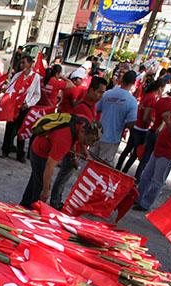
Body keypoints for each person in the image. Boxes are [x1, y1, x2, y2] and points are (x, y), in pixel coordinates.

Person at [50, 76, 108, 207]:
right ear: (91, 90)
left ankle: (56, 201)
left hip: (77, 149)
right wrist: (78, 153)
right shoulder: (83, 108)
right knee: (63, 176)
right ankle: (54, 203)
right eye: (99, 92)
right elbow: (79, 135)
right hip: (73, 148)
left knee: (65, 176)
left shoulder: (91, 106)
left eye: (103, 93)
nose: (100, 96)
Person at [21, 115, 101, 207]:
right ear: (83, 131)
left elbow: (78, 140)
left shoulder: (83, 122)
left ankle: (24, 205)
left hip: (43, 146)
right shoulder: (64, 140)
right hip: (40, 152)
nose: (85, 142)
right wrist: (46, 190)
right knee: (40, 190)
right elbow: (49, 166)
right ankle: (30, 210)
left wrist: (84, 151)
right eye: (86, 140)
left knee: (35, 180)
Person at [136, 80, 171, 182]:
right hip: (162, 135)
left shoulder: (160, 100)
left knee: (145, 158)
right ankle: (145, 181)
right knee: (154, 163)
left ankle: (137, 178)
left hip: (152, 131)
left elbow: (153, 115)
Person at [1, 55, 41, 162]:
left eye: (24, 63)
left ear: (30, 63)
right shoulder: (18, 75)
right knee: (9, 128)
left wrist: (28, 104)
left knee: (21, 131)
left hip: (25, 107)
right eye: (21, 63)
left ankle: (20, 154)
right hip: (14, 106)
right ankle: (5, 150)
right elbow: (10, 88)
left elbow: (37, 95)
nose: (22, 65)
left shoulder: (36, 77)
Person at [94, 69, 138, 165]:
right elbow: (131, 123)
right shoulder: (132, 101)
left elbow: (96, 109)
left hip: (97, 134)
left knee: (88, 164)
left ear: (122, 79)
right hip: (112, 139)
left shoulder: (107, 93)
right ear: (133, 83)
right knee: (101, 169)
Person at [116, 79, 160, 174]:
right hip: (141, 129)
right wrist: (152, 122)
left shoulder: (147, 95)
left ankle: (118, 168)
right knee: (135, 153)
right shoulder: (152, 98)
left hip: (136, 125)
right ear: (159, 88)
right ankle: (124, 171)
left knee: (127, 149)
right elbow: (145, 117)